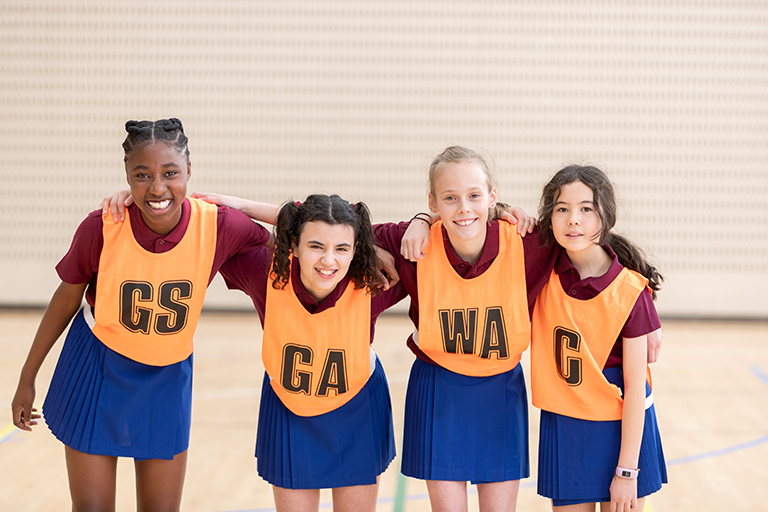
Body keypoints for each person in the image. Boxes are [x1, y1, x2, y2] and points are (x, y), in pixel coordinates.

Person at [10, 119, 271, 512]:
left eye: (170, 173)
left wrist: (240, 204)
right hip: (96, 370)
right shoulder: (102, 226)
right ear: (127, 178)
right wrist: (26, 378)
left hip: (167, 377)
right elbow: (65, 301)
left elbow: (297, 232)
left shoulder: (219, 224)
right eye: (142, 175)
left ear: (189, 171)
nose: (157, 188)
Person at [189, 192, 407, 512]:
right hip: (289, 408)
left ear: (356, 248)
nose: (328, 260)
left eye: (341, 248)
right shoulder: (264, 273)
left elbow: (437, 234)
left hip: (357, 408)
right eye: (315, 246)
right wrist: (244, 206)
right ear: (293, 244)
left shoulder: (372, 282)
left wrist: (418, 223)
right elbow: (216, 224)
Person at [374, 146, 556, 512]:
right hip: (439, 388)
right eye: (450, 198)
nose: (464, 208)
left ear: (492, 196)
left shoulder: (526, 243)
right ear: (433, 201)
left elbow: (588, 237)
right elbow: (326, 222)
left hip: (501, 390)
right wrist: (420, 220)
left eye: (474, 195)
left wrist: (641, 312)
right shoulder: (415, 242)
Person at [530, 165, 667, 511]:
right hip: (567, 421)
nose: (573, 219)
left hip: (623, 431)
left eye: (586, 209)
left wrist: (626, 471)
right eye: (562, 209)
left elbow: (636, 387)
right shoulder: (540, 267)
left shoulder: (631, 291)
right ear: (549, 217)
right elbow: (491, 219)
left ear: (606, 215)